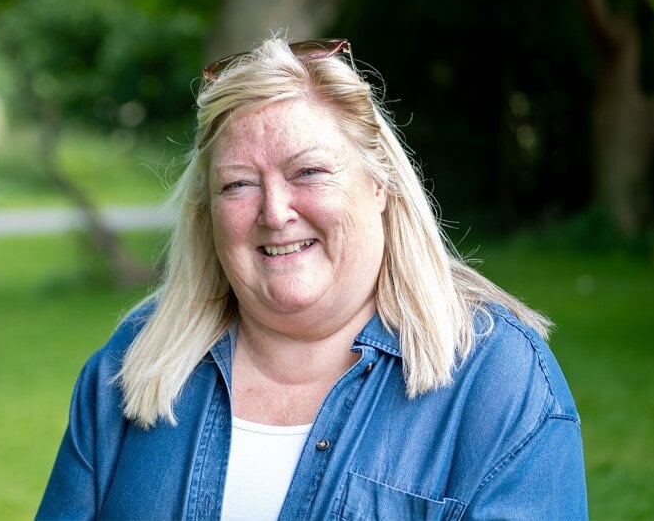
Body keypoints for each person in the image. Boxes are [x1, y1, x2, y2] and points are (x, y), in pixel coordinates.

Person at [37, 35, 588, 520]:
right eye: (238, 185)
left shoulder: (496, 380)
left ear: (380, 185)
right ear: (207, 212)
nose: (274, 212)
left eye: (309, 172)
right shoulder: (133, 364)